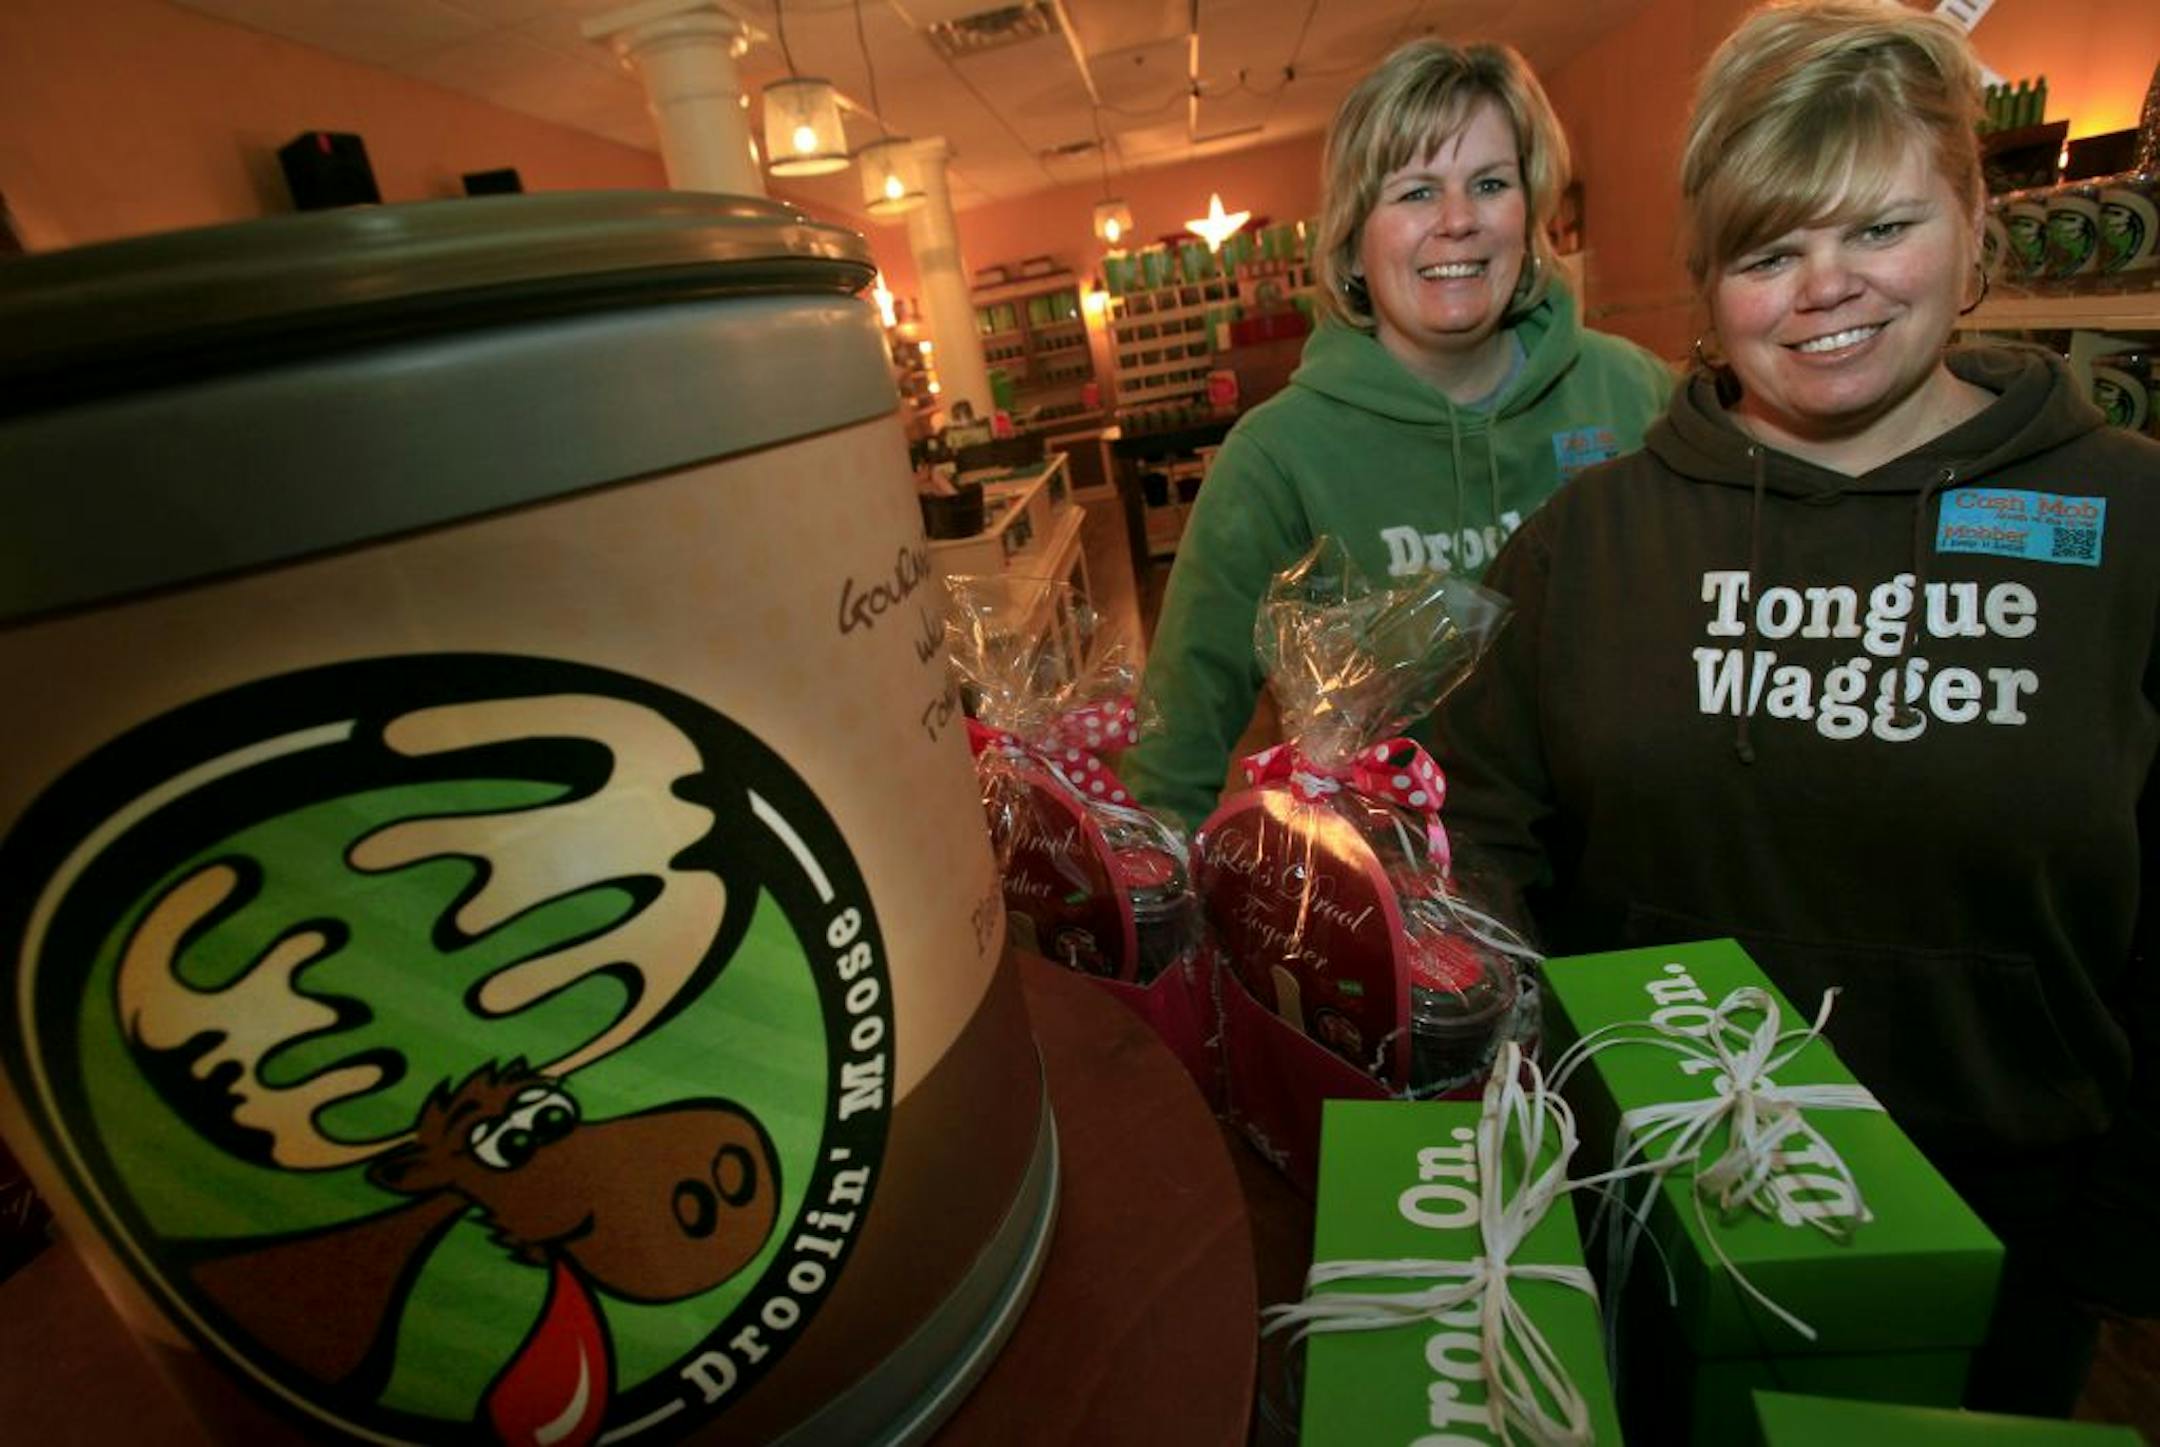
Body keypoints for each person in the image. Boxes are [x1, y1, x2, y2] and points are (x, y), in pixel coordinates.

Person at [1433, 0, 2158, 1417]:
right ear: (1710, 285)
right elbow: (1471, 825)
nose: (1826, 287)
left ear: (1972, 224)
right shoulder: (1588, 544)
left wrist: (2120, 1236)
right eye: (1770, 252)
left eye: (1880, 228)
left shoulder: (2130, 517)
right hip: (1650, 1215)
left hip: (2010, 1242)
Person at [1121, 39, 1674, 832]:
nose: (1457, 221)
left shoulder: (1632, 391)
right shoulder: (1277, 458)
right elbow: (1178, 738)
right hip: (1401, 906)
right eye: (1415, 192)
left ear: (1530, 209)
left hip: (1631, 874)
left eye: (1489, 184)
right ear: (1353, 235)